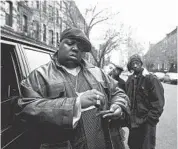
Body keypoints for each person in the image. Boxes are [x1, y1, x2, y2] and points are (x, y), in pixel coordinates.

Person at [17, 28, 130, 149]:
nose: (75, 48)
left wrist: (118, 105)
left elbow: (118, 93)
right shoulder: (39, 76)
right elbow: (27, 110)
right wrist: (76, 103)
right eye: (70, 43)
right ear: (59, 44)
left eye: (80, 47)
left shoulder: (97, 73)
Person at [126, 54, 165, 149]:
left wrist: (151, 120)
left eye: (137, 63)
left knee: (146, 147)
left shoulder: (151, 79)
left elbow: (158, 102)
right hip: (134, 122)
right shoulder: (130, 80)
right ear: (130, 66)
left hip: (146, 122)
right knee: (133, 145)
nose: (135, 65)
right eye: (133, 63)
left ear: (141, 64)